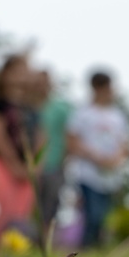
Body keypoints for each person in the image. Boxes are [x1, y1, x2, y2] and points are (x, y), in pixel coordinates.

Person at [66, 71, 129, 248]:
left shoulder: (118, 116)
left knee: (104, 218)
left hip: (110, 177)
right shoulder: (82, 114)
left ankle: (97, 249)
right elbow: (72, 142)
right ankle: (84, 250)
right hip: (87, 175)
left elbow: (125, 145)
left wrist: (114, 160)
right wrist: (97, 157)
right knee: (91, 215)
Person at [0, 54, 38, 248]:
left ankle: (13, 252)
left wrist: (33, 165)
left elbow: (40, 138)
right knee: (1, 210)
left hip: (27, 169)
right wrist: (13, 163)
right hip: (1, 164)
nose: (22, 75)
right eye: (16, 70)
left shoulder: (32, 107)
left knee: (21, 213)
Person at [36, 70, 73, 232]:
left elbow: (70, 136)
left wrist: (65, 160)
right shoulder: (29, 107)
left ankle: (47, 240)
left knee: (50, 206)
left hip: (54, 165)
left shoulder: (61, 108)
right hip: (29, 167)